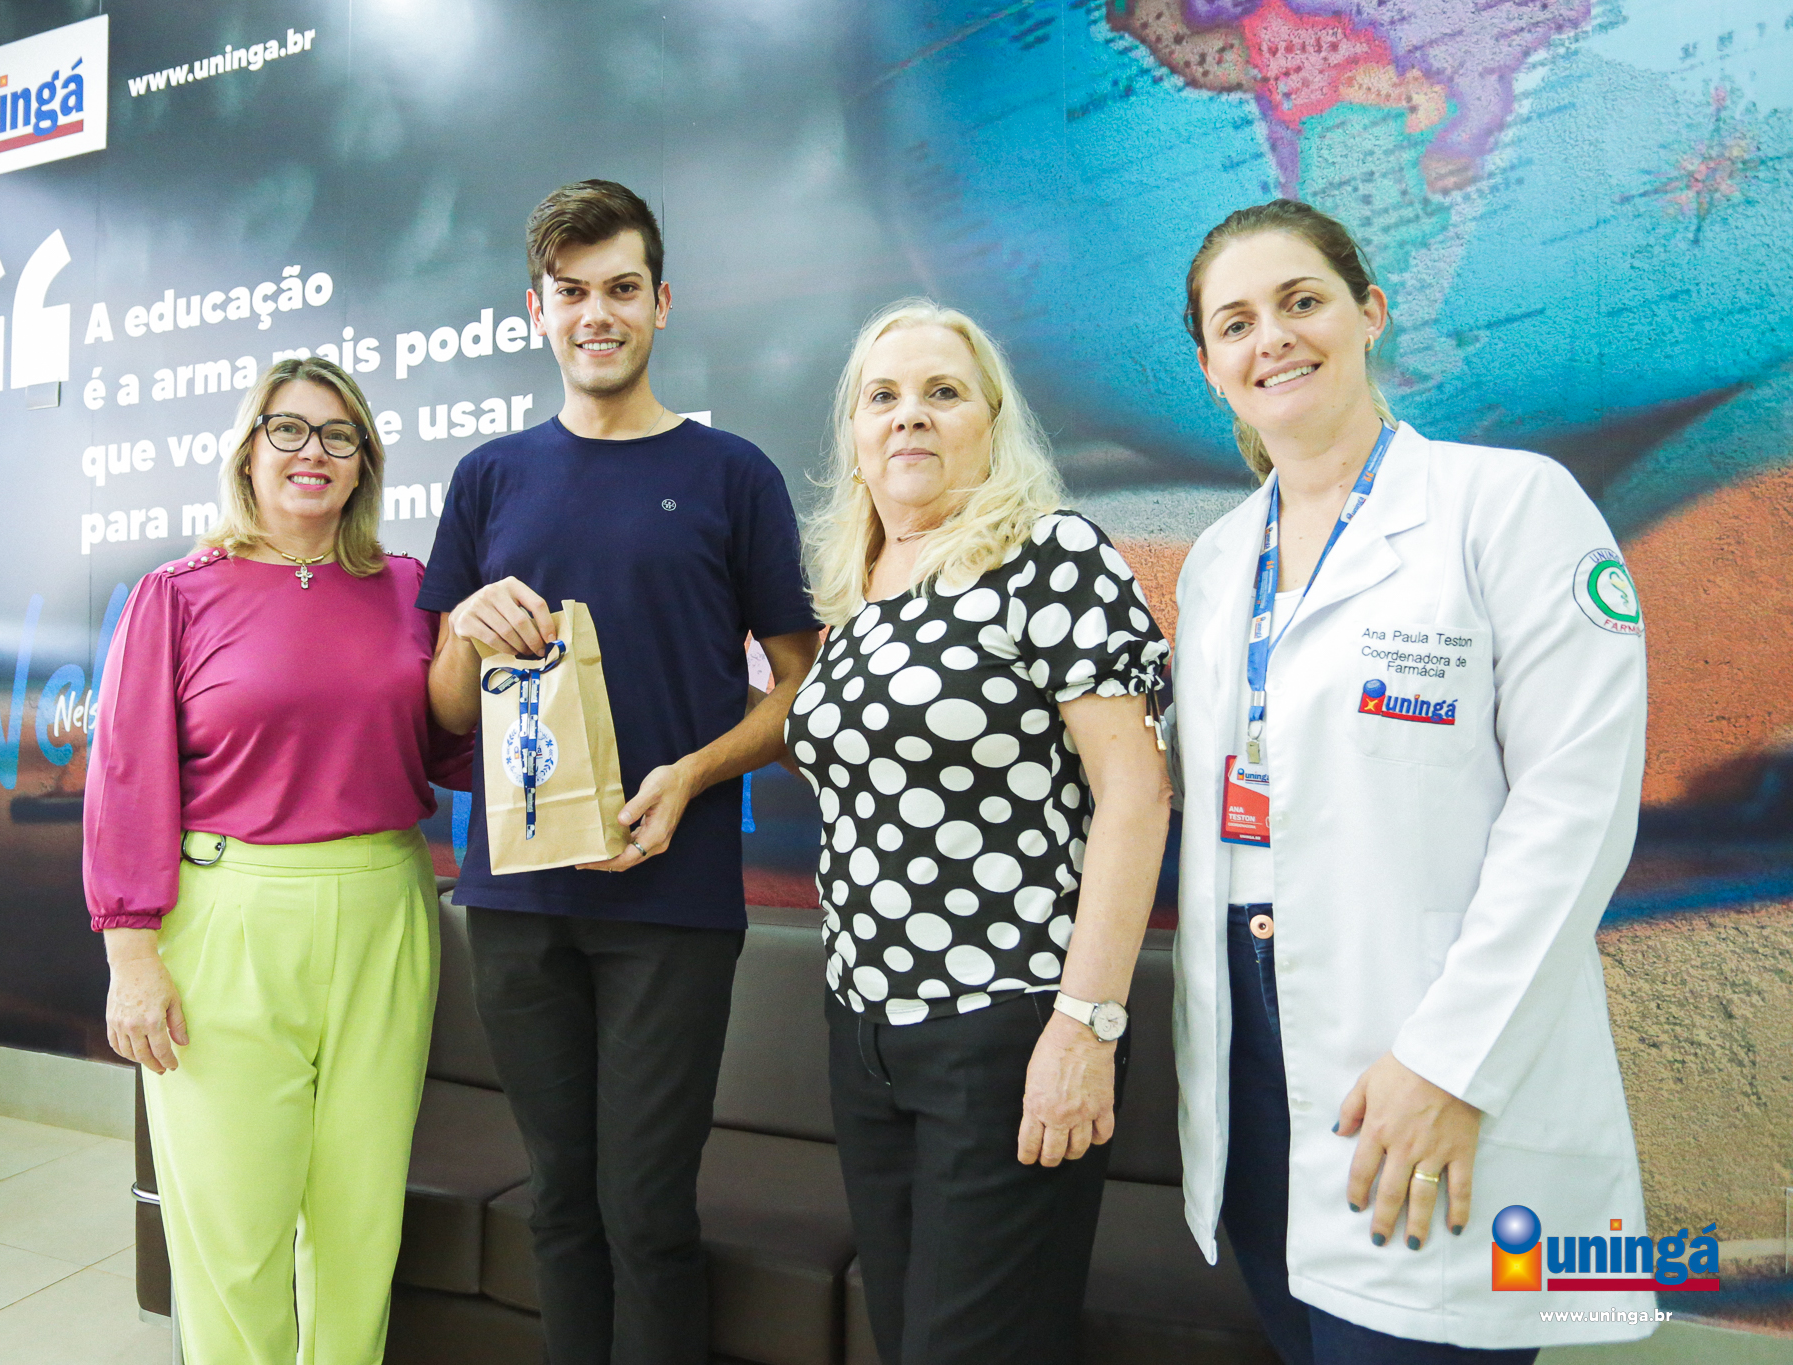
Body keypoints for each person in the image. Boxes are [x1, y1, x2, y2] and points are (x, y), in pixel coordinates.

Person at [1168, 199, 1655, 1361]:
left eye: (1299, 301)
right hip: (1248, 1047)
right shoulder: (1214, 563)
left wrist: (1448, 1062)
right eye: (1234, 323)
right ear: (1209, 368)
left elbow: (1574, 809)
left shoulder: (1509, 505)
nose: (1270, 339)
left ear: (1369, 312)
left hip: (1429, 1030)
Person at [419, 180, 821, 1365]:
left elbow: (801, 692)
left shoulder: (731, 474)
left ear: (661, 303)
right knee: (557, 1202)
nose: (596, 313)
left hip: (671, 900)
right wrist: (463, 632)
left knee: (646, 1214)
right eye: (571, 292)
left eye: (621, 289)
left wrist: (689, 776)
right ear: (535, 309)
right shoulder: (488, 477)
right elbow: (444, 711)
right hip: (515, 900)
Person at [787, 299, 1172, 1365]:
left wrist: (1084, 1028)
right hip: (864, 1036)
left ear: (991, 424)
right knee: (906, 1339)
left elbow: (1137, 794)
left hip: (1005, 1031)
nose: (908, 415)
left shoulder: (1051, 554)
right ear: (854, 433)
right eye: (883, 396)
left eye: (942, 392)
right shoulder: (857, 595)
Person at [86, 356, 473, 1364]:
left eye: (340, 435)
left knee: (359, 1219)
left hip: (387, 908)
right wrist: (131, 957)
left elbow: (450, 750)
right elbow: (126, 776)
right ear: (248, 450)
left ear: (364, 463)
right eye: (289, 429)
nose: (314, 452)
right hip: (229, 916)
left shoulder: (412, 590)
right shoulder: (176, 594)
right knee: (233, 1227)